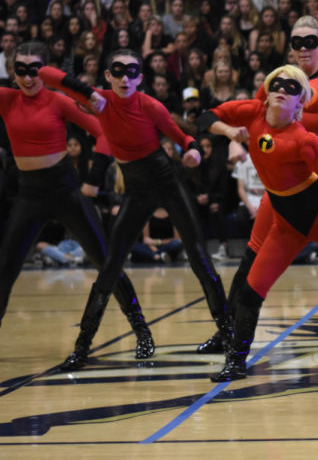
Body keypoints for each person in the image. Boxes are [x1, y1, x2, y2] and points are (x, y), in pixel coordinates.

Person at [38, 49, 229, 369]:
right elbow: (48, 76)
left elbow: (184, 137)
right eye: (118, 71)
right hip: (136, 190)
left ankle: (227, 332)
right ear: (108, 76)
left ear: (140, 77)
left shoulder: (149, 105)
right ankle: (87, 345)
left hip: (167, 184)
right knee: (109, 267)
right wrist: (86, 92)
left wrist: (193, 152)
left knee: (199, 258)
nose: (125, 78)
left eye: (132, 72)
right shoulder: (99, 99)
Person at [197, 65, 318, 381]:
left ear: (300, 104)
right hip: (287, 222)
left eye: (292, 86)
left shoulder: (305, 140)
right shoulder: (252, 112)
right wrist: (229, 131)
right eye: (277, 83)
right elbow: (203, 118)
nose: (282, 88)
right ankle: (236, 362)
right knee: (251, 291)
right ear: (268, 91)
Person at [0, 42, 154, 361]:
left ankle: (142, 331)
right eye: (21, 70)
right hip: (28, 194)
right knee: (5, 269)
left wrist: (93, 178)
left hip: (65, 191)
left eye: (35, 70)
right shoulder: (7, 99)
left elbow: (104, 135)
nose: (28, 78)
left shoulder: (58, 101)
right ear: (11, 72)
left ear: (47, 70)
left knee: (106, 262)